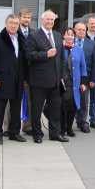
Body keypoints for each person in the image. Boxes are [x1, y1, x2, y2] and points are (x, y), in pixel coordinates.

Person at [24, 10, 68, 144]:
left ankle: (55, 133)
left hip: (55, 81)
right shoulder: (34, 36)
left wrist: (61, 76)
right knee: (36, 109)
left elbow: (61, 58)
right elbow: (29, 54)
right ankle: (37, 134)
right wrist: (45, 54)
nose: (50, 21)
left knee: (55, 109)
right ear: (42, 20)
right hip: (39, 80)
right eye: (47, 19)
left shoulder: (58, 36)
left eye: (52, 19)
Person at [0, 14, 27, 144]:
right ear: (6, 23)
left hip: (17, 79)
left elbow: (24, 60)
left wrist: (25, 77)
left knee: (16, 108)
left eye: (16, 23)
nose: (13, 25)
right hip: (2, 78)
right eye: (11, 23)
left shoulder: (21, 38)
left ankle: (14, 132)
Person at [4, 8, 33, 137]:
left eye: (28, 17)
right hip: (14, 72)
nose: (26, 20)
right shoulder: (13, 32)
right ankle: (7, 127)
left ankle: (28, 126)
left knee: (30, 101)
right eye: (24, 17)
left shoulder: (34, 33)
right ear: (20, 18)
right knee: (11, 102)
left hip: (30, 72)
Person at [61, 27, 88, 138]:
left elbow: (83, 67)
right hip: (63, 81)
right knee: (63, 105)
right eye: (68, 35)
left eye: (72, 35)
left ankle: (69, 128)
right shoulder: (59, 48)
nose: (70, 37)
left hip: (75, 82)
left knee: (72, 105)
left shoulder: (78, 49)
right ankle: (62, 128)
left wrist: (83, 82)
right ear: (64, 36)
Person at [73, 21, 95, 133]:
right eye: (79, 29)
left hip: (84, 77)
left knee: (83, 101)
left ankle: (82, 122)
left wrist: (92, 79)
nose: (81, 31)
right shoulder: (69, 42)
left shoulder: (91, 43)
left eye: (83, 30)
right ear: (74, 30)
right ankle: (67, 123)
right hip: (70, 78)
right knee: (69, 101)